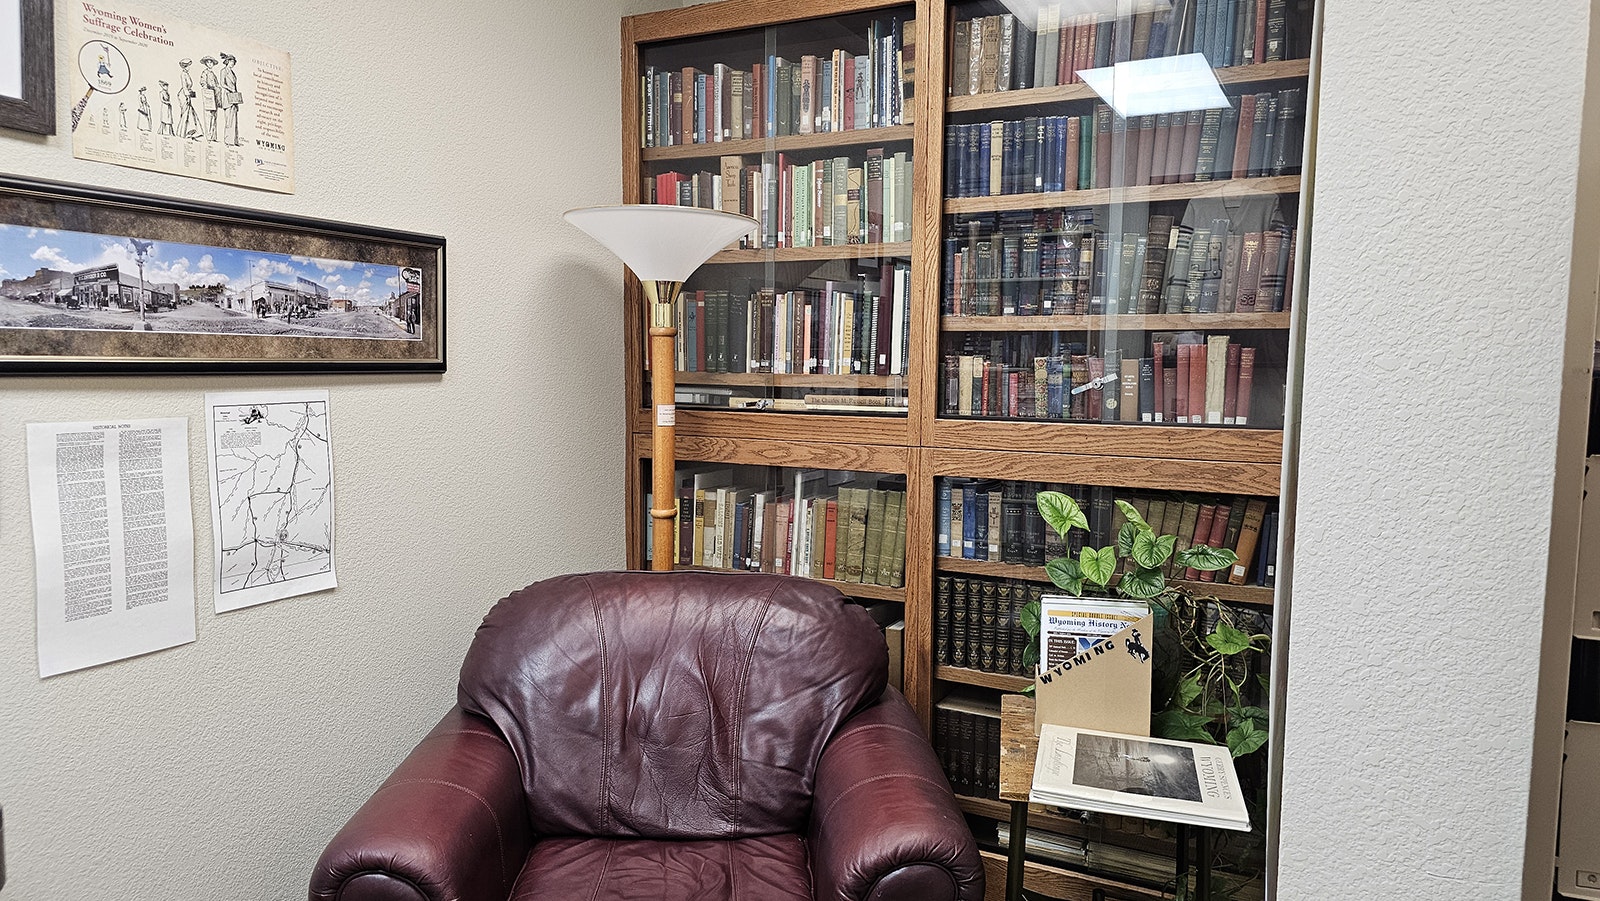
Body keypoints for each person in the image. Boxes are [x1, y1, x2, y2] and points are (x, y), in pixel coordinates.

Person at [219, 53, 241, 146]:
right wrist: (230, 89)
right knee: (229, 119)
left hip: (234, 97)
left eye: (233, 62)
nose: (232, 63)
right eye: (231, 61)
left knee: (234, 118)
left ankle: (234, 140)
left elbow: (234, 85)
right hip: (227, 96)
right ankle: (228, 140)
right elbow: (222, 83)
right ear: (227, 62)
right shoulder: (223, 71)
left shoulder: (232, 73)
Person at [176, 59, 199, 139]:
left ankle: (188, 131)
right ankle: (183, 132)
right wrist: (187, 96)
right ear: (186, 66)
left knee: (189, 112)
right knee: (186, 112)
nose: (190, 67)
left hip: (187, 94)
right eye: (189, 65)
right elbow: (184, 87)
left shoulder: (186, 74)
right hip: (183, 95)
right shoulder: (183, 74)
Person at [199, 57, 220, 141]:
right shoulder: (205, 72)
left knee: (214, 117)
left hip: (215, 96)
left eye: (211, 62)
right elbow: (203, 82)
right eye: (208, 62)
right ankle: (209, 137)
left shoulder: (213, 74)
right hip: (209, 96)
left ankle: (213, 136)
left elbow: (217, 85)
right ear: (206, 64)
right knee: (208, 116)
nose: (210, 64)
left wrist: (217, 89)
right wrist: (208, 89)